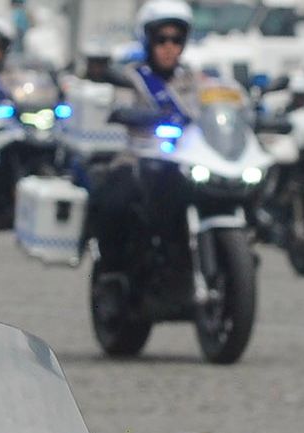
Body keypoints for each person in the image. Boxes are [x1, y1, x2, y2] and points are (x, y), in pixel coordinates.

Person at [88, 0, 222, 281]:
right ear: (147, 40)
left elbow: (219, 107)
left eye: (176, 39)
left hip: (187, 161)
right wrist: (137, 114)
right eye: (161, 39)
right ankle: (112, 269)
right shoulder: (131, 77)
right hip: (140, 158)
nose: (169, 46)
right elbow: (119, 107)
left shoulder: (195, 79)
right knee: (114, 200)